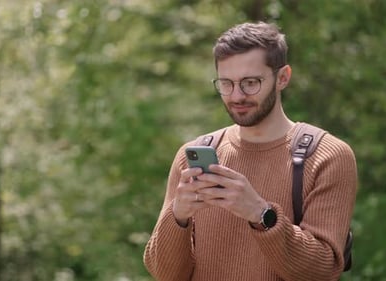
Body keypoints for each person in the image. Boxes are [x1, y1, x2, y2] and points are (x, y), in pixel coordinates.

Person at [143, 21, 357, 281]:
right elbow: (166, 275)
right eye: (226, 83)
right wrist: (178, 217)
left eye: (250, 83)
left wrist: (260, 213)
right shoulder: (193, 155)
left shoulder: (326, 155)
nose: (236, 96)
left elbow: (321, 270)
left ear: (283, 78)